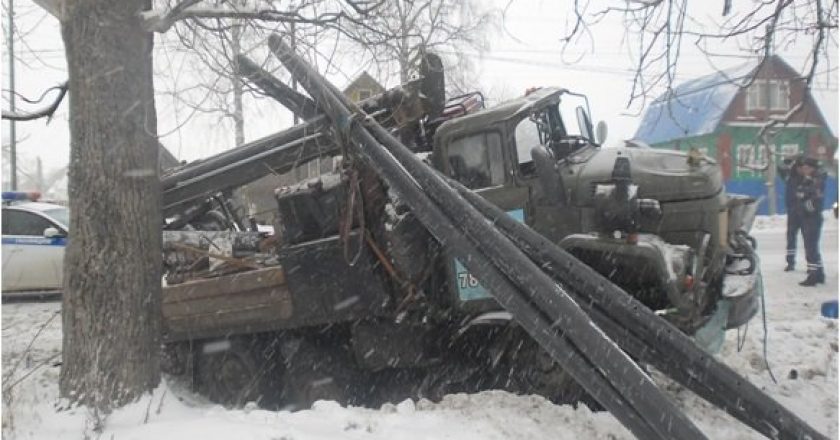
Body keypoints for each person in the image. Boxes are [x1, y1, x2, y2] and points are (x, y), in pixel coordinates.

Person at [795, 157, 826, 286]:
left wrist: (804, 201)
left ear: (812, 168)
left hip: (811, 216)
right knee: (812, 246)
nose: (803, 169)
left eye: (806, 167)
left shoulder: (816, 179)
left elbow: (814, 197)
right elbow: (799, 192)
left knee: (811, 247)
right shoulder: (808, 179)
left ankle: (813, 275)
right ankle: (819, 273)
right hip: (808, 216)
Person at [778, 154, 803, 271]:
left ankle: (811, 265)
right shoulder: (790, 176)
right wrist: (790, 159)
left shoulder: (805, 178)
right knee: (791, 238)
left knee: (808, 241)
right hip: (792, 211)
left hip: (803, 212)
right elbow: (780, 167)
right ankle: (790, 262)